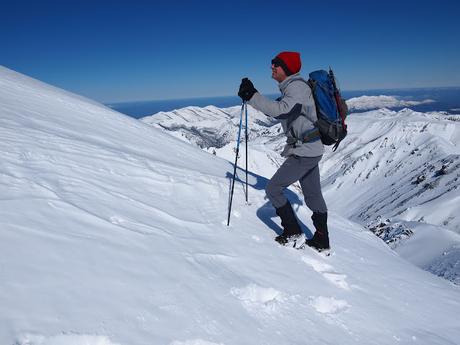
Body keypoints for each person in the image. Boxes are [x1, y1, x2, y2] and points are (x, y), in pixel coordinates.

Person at [237, 51, 329, 252]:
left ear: (285, 69)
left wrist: (252, 96)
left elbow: (282, 110)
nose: (272, 68)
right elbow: (281, 108)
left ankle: (293, 233)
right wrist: (255, 94)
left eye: (275, 65)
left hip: (304, 151)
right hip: (311, 148)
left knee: (273, 189)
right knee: (313, 195)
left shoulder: (296, 88)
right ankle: (322, 241)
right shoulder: (293, 87)